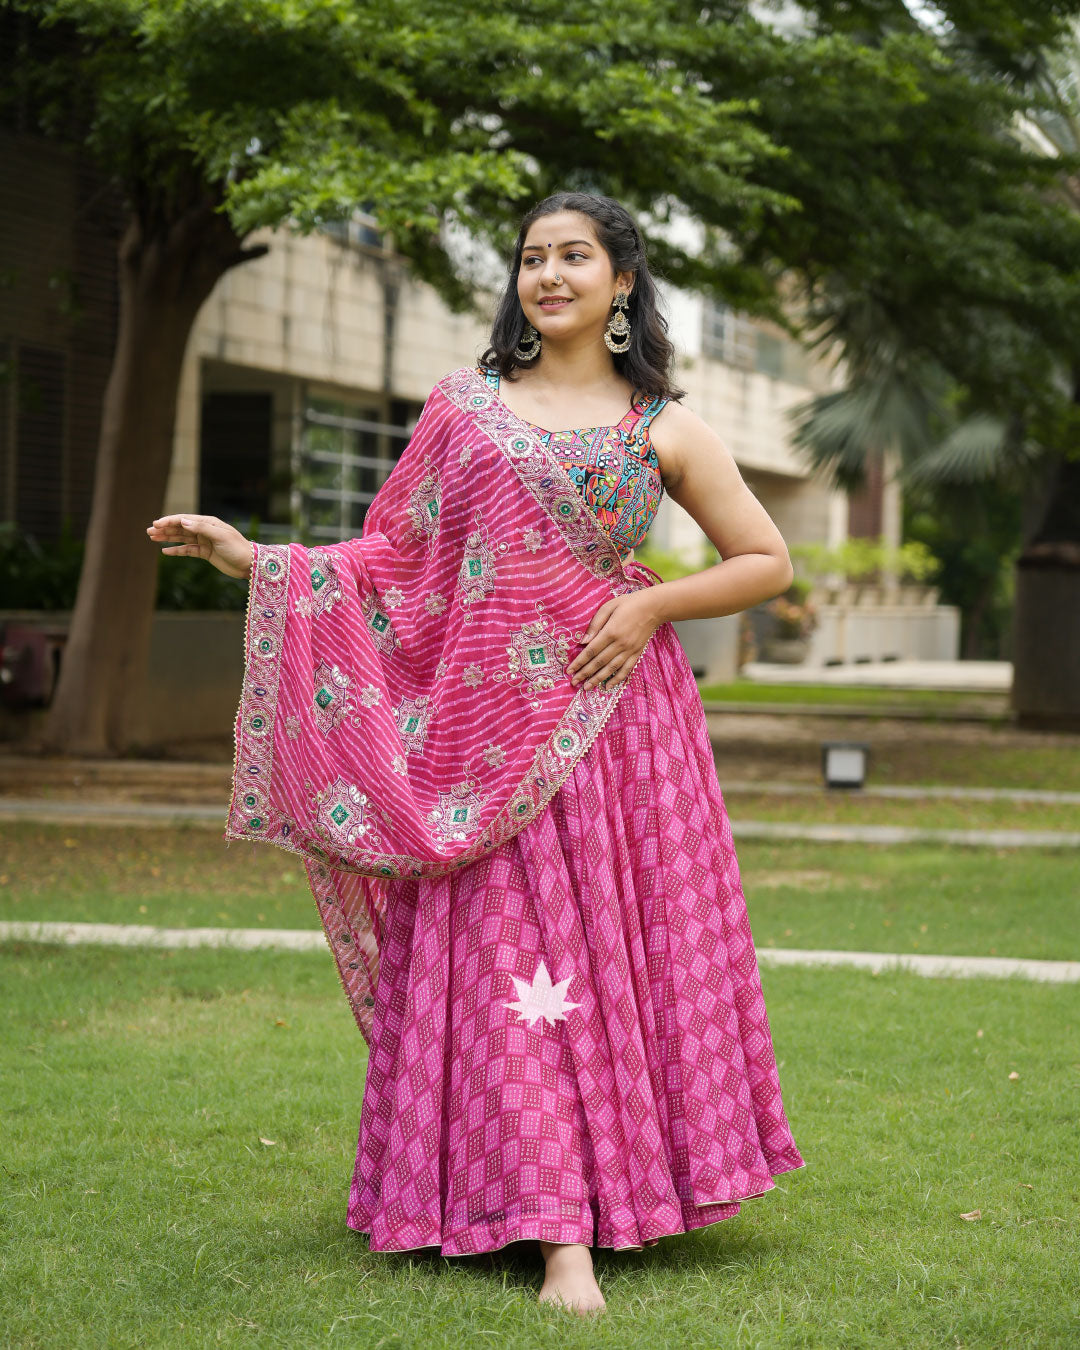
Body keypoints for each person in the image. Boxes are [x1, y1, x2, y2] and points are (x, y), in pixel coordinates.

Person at [147, 191, 805, 1317]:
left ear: (622, 283)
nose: (548, 275)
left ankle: (595, 1212)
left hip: (615, 736)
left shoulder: (665, 429)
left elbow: (765, 560)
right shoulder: (463, 411)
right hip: (480, 741)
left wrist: (652, 609)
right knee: (509, 967)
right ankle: (550, 1226)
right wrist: (256, 558)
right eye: (532, 258)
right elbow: (390, 558)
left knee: (605, 971)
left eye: (574, 257)